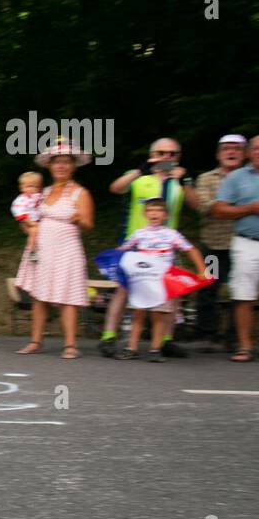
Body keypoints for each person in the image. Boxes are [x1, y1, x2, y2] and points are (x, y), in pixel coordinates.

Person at [98, 137, 194, 357]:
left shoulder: (178, 181)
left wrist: (186, 180)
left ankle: (166, 340)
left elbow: (195, 204)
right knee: (123, 291)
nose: (167, 158)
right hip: (136, 246)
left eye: (172, 154)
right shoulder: (141, 177)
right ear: (153, 155)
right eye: (162, 153)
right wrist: (140, 170)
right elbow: (116, 188)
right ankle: (108, 336)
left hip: (165, 248)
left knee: (172, 293)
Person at [12, 142, 95, 358]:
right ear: (50, 166)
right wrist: (28, 228)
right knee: (39, 296)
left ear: (73, 166)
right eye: (57, 162)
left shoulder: (80, 193)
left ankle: (70, 345)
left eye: (66, 162)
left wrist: (79, 219)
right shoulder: (42, 192)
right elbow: (28, 217)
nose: (61, 166)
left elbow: (88, 224)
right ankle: (35, 341)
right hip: (42, 248)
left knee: (68, 296)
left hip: (67, 248)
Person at [115, 198, 207, 361]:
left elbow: (190, 249)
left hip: (161, 281)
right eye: (150, 210)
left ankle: (155, 349)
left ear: (165, 215)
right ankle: (131, 348)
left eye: (158, 210)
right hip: (141, 280)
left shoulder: (171, 234)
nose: (154, 213)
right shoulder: (139, 233)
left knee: (158, 315)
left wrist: (202, 270)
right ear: (144, 214)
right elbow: (123, 250)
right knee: (138, 313)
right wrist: (111, 259)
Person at [209, 133, 259, 363]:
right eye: (258, 148)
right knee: (243, 295)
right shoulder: (236, 177)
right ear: (249, 152)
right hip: (246, 242)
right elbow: (219, 210)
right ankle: (245, 347)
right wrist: (250, 208)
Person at [192, 134, 246, 349]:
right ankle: (206, 334)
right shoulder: (206, 179)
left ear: (244, 154)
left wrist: (225, 209)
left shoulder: (252, 178)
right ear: (218, 154)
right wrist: (241, 209)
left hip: (241, 245)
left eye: (236, 149)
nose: (231, 152)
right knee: (207, 288)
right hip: (213, 244)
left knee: (240, 290)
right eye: (226, 149)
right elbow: (206, 207)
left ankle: (233, 337)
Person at [11, 171, 44, 261]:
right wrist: (29, 221)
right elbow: (17, 210)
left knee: (42, 232)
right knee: (34, 231)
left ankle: (41, 249)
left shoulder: (39, 196)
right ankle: (32, 251)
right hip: (27, 221)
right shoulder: (21, 199)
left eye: (36, 186)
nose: (33, 189)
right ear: (22, 188)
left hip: (38, 220)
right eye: (29, 186)